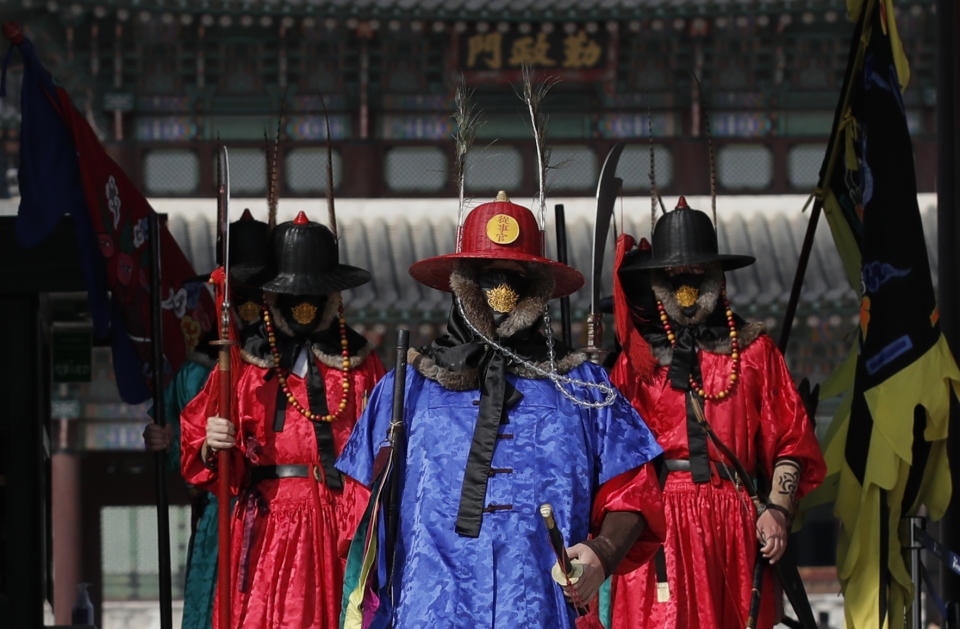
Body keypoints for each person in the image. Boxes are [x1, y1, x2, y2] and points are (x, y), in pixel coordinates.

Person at [336, 192, 665, 628]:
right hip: (428, 607)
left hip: (541, 604)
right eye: (488, 276)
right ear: (463, 283)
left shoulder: (583, 388)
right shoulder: (406, 385)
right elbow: (351, 515)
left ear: (538, 289)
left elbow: (635, 491)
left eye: (516, 276)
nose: (502, 290)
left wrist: (602, 554)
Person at [607, 197, 826, 628]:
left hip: (737, 522)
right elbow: (612, 460)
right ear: (656, 281)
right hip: (658, 525)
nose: (686, 283)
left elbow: (791, 442)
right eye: (674, 275)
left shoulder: (755, 354)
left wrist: (778, 510)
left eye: (696, 272)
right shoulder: (636, 363)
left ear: (717, 276)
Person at [180, 211, 385, 628]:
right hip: (266, 521)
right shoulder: (243, 365)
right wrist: (210, 442)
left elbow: (387, 448)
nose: (304, 305)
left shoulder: (362, 364)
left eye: (314, 293)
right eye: (293, 294)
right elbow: (198, 440)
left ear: (334, 296)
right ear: (273, 296)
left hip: (338, 521)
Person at [143, 209, 272, 629]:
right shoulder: (197, 371)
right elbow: (178, 451)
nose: (248, 307)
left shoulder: (296, 366)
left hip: (283, 511)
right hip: (221, 511)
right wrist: (166, 439)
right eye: (239, 293)